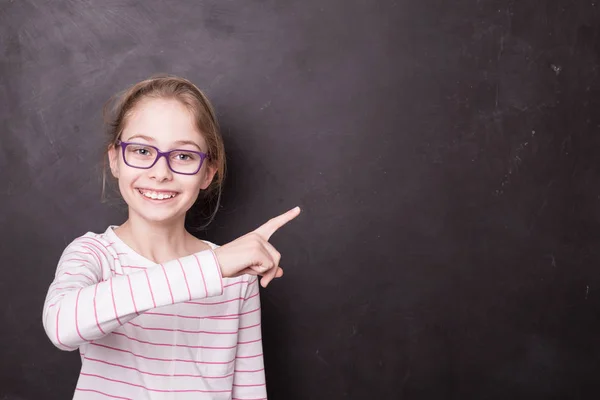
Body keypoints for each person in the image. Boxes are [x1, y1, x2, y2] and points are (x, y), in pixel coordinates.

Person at [42, 75, 301, 399]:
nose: (160, 172)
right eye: (140, 150)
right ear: (115, 159)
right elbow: (62, 326)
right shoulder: (94, 254)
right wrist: (211, 266)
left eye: (183, 156)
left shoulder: (236, 274)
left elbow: (248, 391)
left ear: (208, 172)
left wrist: (218, 266)